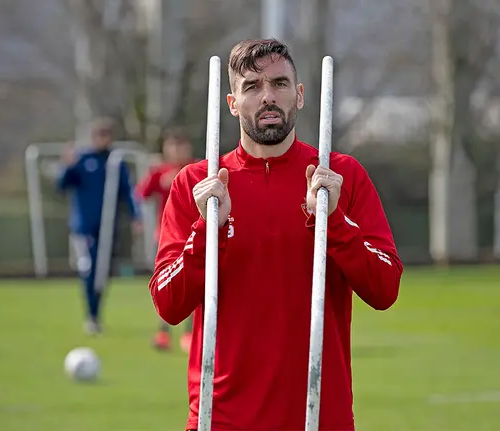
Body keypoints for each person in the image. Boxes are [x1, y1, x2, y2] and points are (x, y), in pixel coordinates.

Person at [148, 39, 403, 430]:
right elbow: (168, 303)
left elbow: (385, 288)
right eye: (251, 87)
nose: (267, 97)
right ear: (232, 103)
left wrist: (334, 221)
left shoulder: (340, 176)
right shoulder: (197, 184)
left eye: (280, 84)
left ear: (299, 96)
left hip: (319, 415)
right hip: (221, 418)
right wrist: (205, 230)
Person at [58, 117, 141, 335]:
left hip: (107, 229)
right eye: (99, 135)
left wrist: (136, 216)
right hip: (83, 228)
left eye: (106, 135)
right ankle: (91, 316)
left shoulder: (116, 162)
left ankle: (96, 315)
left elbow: (127, 192)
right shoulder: (83, 160)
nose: (103, 140)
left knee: (102, 272)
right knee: (89, 268)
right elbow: (62, 185)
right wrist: (67, 166)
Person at [136, 128, 197, 352]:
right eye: (172, 146)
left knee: (194, 284)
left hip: (194, 236)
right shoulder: (159, 171)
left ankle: (190, 333)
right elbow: (140, 195)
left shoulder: (197, 169)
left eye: (180, 146)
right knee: (164, 285)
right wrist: (138, 220)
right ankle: (163, 332)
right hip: (165, 237)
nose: (176, 150)